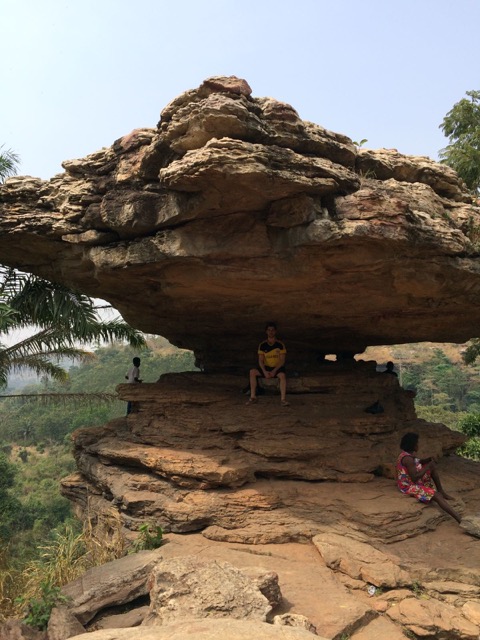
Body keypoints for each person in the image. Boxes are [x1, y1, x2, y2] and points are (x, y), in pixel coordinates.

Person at [396, 432, 461, 523]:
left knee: (431, 466)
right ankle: (459, 519)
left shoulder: (407, 454)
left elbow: (418, 462)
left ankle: (441, 491)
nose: (418, 445)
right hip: (408, 486)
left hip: (412, 481)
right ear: (413, 445)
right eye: (417, 443)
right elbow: (415, 478)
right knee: (436, 496)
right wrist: (427, 467)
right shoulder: (408, 459)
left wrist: (426, 461)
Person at [246, 322, 289, 406]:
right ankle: (253, 397)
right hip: (266, 368)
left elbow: (282, 360)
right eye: (269, 330)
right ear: (266, 332)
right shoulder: (262, 345)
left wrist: (274, 371)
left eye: (272, 330)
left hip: (277, 368)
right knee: (252, 372)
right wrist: (264, 371)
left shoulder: (280, 345)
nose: (271, 332)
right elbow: (260, 360)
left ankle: (283, 399)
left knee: (282, 376)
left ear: (275, 331)